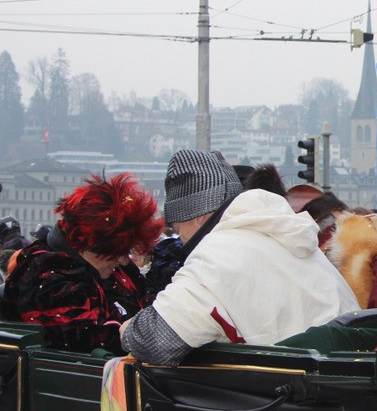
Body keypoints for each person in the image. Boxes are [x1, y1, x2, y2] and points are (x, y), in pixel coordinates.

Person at [119, 149, 360, 365]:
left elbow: (156, 342)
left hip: (289, 401)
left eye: (179, 227)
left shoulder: (216, 256)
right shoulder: (284, 234)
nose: (180, 239)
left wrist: (128, 330)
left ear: (197, 216)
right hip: (343, 385)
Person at [1, 173, 160, 353]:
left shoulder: (111, 269)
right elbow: (91, 339)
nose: (124, 260)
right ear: (90, 244)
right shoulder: (48, 277)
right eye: (118, 251)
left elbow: (152, 302)